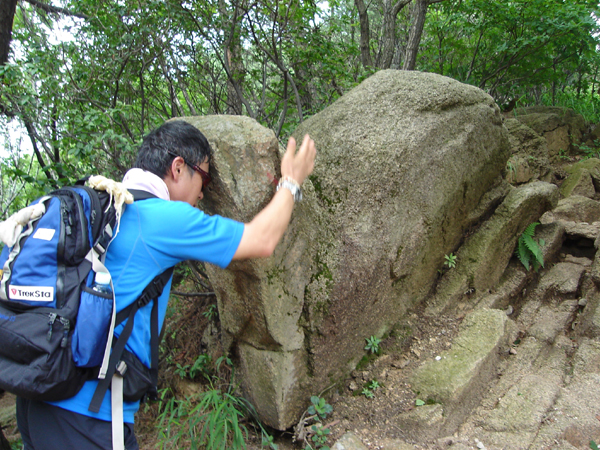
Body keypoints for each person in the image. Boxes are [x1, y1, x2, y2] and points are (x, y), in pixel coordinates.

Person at [16, 119, 317, 450]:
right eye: (203, 178)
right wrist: (291, 181)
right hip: (88, 413)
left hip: (36, 399)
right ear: (178, 167)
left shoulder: (104, 206)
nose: (203, 193)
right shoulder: (162, 218)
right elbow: (261, 240)